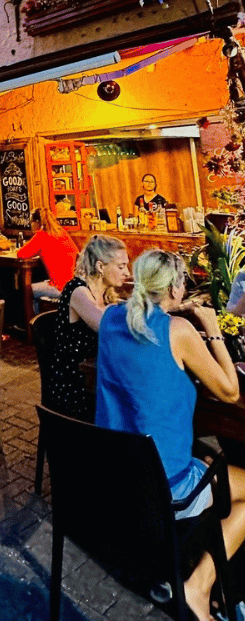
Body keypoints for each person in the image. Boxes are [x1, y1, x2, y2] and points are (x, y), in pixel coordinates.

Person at [96, 250, 245, 621]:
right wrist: (211, 328)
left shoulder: (111, 317)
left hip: (118, 473)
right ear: (176, 289)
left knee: (208, 459)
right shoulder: (177, 331)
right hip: (165, 487)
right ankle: (198, 588)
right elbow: (230, 391)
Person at [49, 234, 130, 422]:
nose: (127, 272)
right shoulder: (78, 290)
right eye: (121, 266)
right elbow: (106, 327)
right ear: (100, 267)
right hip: (74, 381)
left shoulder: (106, 293)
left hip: (95, 371)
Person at [18, 207, 79, 313]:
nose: (31, 225)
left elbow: (21, 254)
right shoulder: (62, 232)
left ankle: (34, 320)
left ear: (37, 222)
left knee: (28, 290)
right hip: (73, 285)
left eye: (31, 222)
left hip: (59, 287)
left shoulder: (41, 235)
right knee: (43, 283)